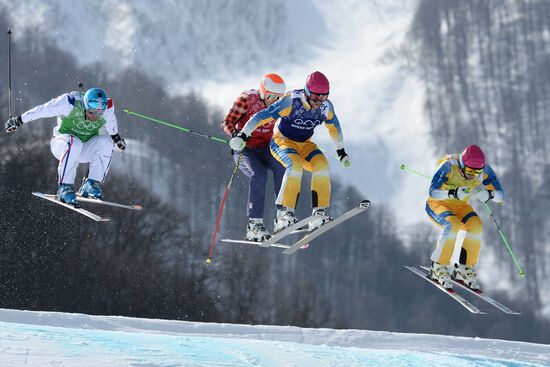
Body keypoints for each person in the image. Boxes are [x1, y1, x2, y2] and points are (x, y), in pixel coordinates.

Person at [229, 71, 351, 233]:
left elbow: (334, 128)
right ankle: (284, 214)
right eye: (315, 97)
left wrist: (341, 151)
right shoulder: (291, 102)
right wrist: (244, 134)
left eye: (323, 97)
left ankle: (318, 212)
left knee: (322, 165)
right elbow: (262, 116)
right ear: (307, 92)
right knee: (295, 166)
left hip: (305, 144)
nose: (318, 102)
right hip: (282, 141)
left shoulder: (326, 107)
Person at [4, 87, 126, 207]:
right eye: (92, 112)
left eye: (99, 113)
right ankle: (64, 187)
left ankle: (91, 184)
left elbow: (111, 124)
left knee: (107, 142)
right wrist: (19, 120)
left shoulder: (107, 107)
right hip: (62, 144)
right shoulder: (69, 102)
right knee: (74, 143)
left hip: (84, 148)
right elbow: (42, 110)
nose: (95, 116)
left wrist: (117, 139)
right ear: (85, 105)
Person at [426, 144, 504, 290]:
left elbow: (501, 195)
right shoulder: (449, 166)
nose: (472, 175)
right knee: (453, 225)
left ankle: (464, 269)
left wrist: (489, 194)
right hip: (438, 204)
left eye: (477, 171)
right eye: (469, 170)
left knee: (476, 225)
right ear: (462, 165)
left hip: (460, 206)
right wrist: (452, 193)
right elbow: (432, 192)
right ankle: (438, 266)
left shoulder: (484, 170)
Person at [221, 73, 286, 242]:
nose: (274, 101)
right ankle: (254, 224)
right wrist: (235, 134)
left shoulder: (280, 106)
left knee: (283, 167)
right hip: (246, 149)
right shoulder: (248, 99)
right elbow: (227, 122)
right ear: (263, 92)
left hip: (266, 148)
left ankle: (283, 215)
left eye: (278, 98)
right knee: (259, 175)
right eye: (271, 96)